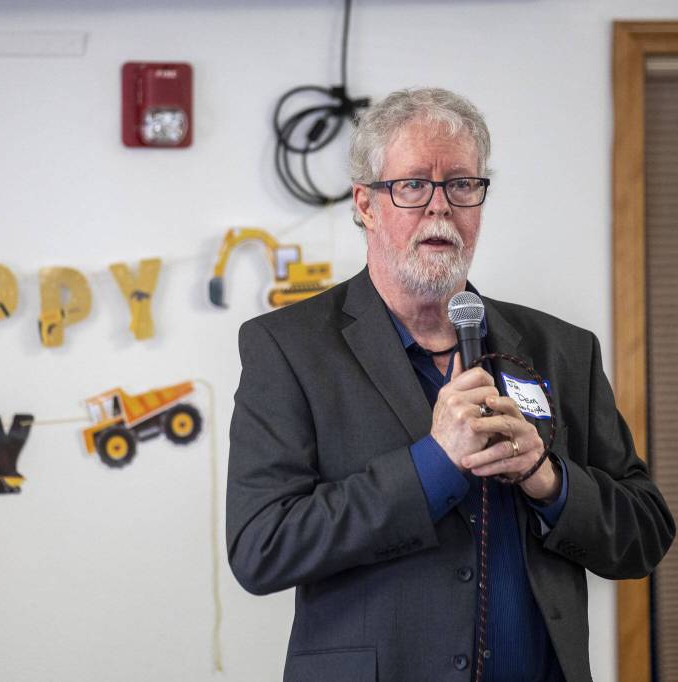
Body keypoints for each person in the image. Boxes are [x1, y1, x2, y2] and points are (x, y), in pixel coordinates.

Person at [226, 87, 674, 681]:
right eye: (413, 184)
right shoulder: (288, 347)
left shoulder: (564, 349)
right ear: (365, 203)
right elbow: (263, 546)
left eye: (462, 184)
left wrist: (548, 479)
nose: (440, 207)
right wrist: (434, 464)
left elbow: (644, 534)